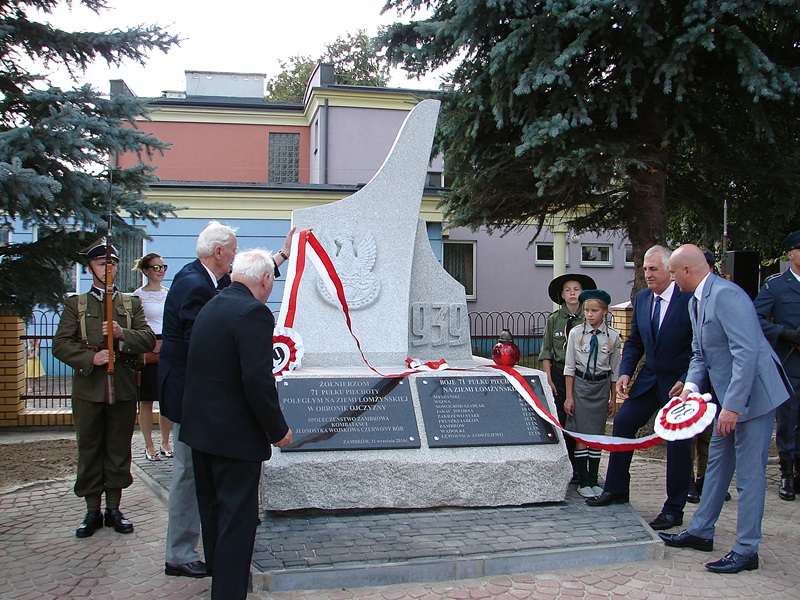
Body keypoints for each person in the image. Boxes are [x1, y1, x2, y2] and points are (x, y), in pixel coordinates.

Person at [159, 221, 294, 579]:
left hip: (202, 426)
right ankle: (204, 571)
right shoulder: (221, 298)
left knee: (213, 510)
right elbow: (253, 377)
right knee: (234, 516)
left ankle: (219, 577)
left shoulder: (216, 297)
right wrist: (277, 429)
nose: (233, 254)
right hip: (227, 431)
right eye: (232, 248)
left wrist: (281, 255)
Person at [660, 244, 791, 574]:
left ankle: (748, 549)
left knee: (749, 476)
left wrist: (733, 407)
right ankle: (702, 531)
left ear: (687, 271)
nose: (672, 280)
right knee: (718, 464)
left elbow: (746, 353)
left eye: (673, 273)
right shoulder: (696, 301)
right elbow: (700, 354)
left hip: (753, 399)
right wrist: (690, 388)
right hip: (729, 398)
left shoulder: (727, 295)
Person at [52, 240, 156, 538]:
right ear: (90, 269)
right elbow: (61, 344)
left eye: (112, 264)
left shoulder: (129, 303)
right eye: (101, 264)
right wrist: (91, 357)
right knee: (90, 448)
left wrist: (124, 334)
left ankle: (113, 508)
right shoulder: (77, 305)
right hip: (89, 389)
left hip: (122, 387)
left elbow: (148, 339)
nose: (107, 269)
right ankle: (91, 510)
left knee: (118, 448)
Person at [587, 245, 694, 531]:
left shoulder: (688, 299)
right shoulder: (644, 298)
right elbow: (634, 342)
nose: (647, 274)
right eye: (645, 269)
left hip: (679, 384)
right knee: (623, 422)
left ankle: (674, 509)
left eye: (653, 269)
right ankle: (616, 489)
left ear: (670, 272)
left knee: (678, 442)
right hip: (649, 379)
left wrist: (687, 379)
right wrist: (625, 372)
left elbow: (699, 347)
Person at [753, 230, 800, 501]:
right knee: (788, 420)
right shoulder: (777, 286)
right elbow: (755, 318)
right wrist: (784, 333)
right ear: (790, 254)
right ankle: (787, 472)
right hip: (790, 362)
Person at [539, 273, 597, 478]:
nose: (572, 293)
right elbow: (546, 351)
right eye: (568, 290)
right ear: (561, 295)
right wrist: (548, 378)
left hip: (582, 375)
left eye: (577, 289)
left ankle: (583, 468)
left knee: (581, 420)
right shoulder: (554, 320)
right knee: (562, 420)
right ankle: (566, 466)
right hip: (559, 374)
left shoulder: (590, 319)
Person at [564, 289, 620, 498]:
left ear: (604, 312)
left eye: (594, 310)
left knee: (596, 435)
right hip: (581, 387)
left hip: (600, 388)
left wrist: (613, 398)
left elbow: (614, 371)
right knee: (581, 434)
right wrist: (569, 396)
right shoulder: (576, 334)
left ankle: (595, 478)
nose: (589, 314)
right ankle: (584, 480)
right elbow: (569, 368)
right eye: (586, 310)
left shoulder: (613, 337)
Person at [132, 253, 172, 462]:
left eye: (163, 267)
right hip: (147, 346)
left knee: (166, 397)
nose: (161, 271)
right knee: (146, 399)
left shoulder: (170, 293)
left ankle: (166, 442)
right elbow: (136, 324)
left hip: (168, 344)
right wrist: (149, 344)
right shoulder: (138, 296)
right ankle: (149, 445)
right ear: (146, 270)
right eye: (156, 267)